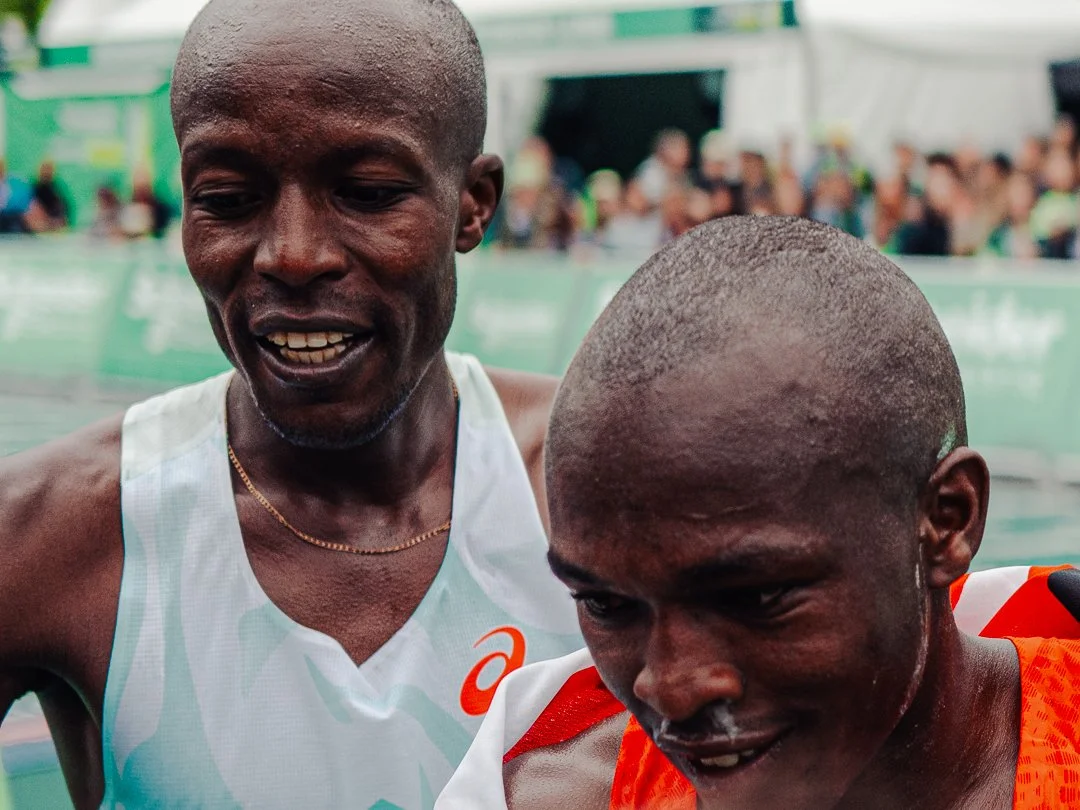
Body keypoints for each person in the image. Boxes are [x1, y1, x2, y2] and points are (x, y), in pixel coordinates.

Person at [0, 0, 584, 807]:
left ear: (473, 203)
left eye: (369, 193)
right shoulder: (53, 533)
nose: (294, 255)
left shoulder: (607, 490)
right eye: (229, 199)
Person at [437, 217, 1080, 810]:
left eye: (757, 596)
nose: (671, 687)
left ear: (947, 523)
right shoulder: (558, 798)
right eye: (606, 604)